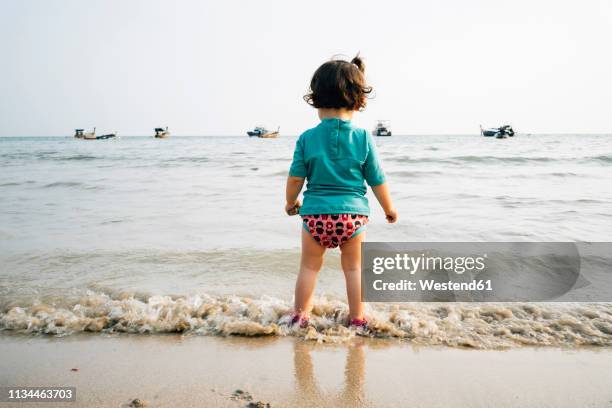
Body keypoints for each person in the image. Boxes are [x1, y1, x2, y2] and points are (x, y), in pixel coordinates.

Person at [285, 54, 397, 330]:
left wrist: (291, 202)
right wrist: (388, 208)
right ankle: (357, 320)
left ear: (316, 98)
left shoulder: (307, 138)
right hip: (352, 217)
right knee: (354, 270)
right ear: (359, 100)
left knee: (309, 268)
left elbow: (296, 176)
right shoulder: (362, 138)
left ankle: (300, 317)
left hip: (316, 217)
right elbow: (376, 179)